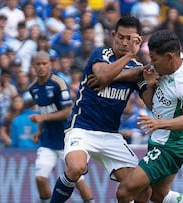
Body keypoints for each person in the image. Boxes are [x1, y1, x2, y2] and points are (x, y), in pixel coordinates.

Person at [50, 15, 151, 203]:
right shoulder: (100, 54)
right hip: (82, 127)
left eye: (130, 39)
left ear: (138, 40)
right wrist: (131, 55)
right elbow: (103, 77)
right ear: (113, 35)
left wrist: (150, 80)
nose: (124, 42)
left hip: (111, 134)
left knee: (143, 191)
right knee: (75, 168)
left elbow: (151, 103)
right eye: (121, 37)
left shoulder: (138, 69)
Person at [116, 30, 183, 203]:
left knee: (124, 192)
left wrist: (159, 123)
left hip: (170, 146)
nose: (152, 64)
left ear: (169, 57)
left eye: (155, 60)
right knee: (158, 195)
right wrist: (149, 85)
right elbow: (152, 105)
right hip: (161, 139)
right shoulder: (172, 59)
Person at [28, 51, 94, 203]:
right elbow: (44, 109)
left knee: (78, 180)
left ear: (50, 64)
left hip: (68, 140)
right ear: (33, 66)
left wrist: (42, 118)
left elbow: (67, 112)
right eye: (38, 64)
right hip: (48, 141)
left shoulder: (59, 83)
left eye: (44, 63)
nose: (41, 67)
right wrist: (39, 129)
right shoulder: (33, 88)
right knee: (40, 178)